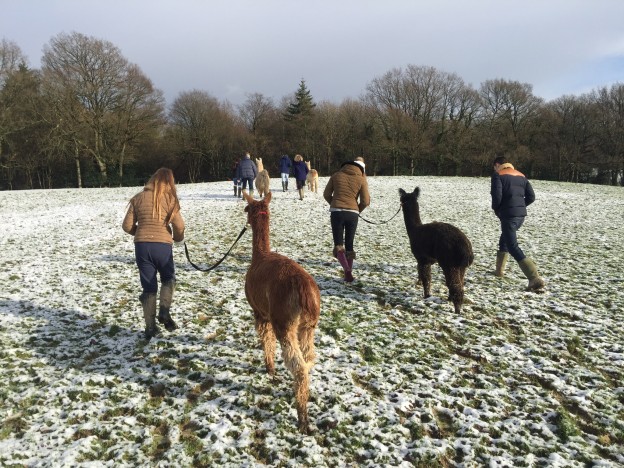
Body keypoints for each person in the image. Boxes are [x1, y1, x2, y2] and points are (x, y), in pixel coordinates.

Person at [122, 167, 185, 339]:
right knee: (168, 278)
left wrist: (142, 233)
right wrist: (179, 239)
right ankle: (164, 311)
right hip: (162, 246)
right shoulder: (170, 200)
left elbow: (127, 226)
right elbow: (179, 226)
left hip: (142, 247)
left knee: (148, 286)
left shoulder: (138, 198)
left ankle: (150, 328)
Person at [491, 155, 545, 290]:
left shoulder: (498, 175)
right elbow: (531, 197)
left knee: (512, 246)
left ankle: (534, 278)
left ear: (497, 165)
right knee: (505, 239)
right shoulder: (521, 175)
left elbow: (496, 197)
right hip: (520, 216)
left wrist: (497, 209)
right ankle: (499, 271)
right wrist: (520, 206)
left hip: (508, 215)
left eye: (494, 167)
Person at [323, 156, 370, 282]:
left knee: (339, 244)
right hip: (352, 214)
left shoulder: (336, 175)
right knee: (350, 244)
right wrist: (356, 210)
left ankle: (346, 270)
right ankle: (349, 270)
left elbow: (326, 194)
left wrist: (334, 203)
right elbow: (365, 201)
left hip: (336, 212)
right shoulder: (361, 179)